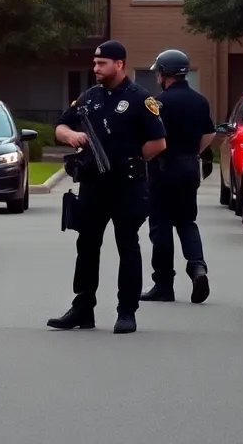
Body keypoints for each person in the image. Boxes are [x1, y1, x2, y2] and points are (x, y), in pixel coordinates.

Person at [47, 40, 167, 334]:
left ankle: (126, 311)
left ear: (119, 64)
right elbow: (61, 125)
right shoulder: (90, 97)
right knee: (86, 245)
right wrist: (71, 136)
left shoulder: (140, 99)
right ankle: (82, 309)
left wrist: (134, 160)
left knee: (128, 245)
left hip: (126, 185)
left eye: (102, 64)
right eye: (95, 63)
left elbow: (158, 142)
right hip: (93, 184)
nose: (96, 68)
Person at [141, 48, 216, 305]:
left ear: (164, 73)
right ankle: (197, 268)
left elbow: (153, 138)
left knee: (161, 226)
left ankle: (163, 285)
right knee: (187, 222)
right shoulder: (200, 100)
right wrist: (193, 152)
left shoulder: (158, 103)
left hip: (164, 169)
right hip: (189, 167)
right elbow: (210, 133)